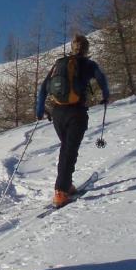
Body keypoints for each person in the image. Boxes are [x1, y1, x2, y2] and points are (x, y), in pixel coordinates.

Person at [36, 34, 110, 208]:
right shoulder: (88, 64)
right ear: (86, 49)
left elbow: (43, 87)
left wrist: (39, 109)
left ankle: (66, 185)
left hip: (58, 113)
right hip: (76, 113)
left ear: (72, 48)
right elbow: (101, 78)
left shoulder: (59, 64)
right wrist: (106, 95)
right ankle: (61, 191)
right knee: (69, 151)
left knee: (66, 149)